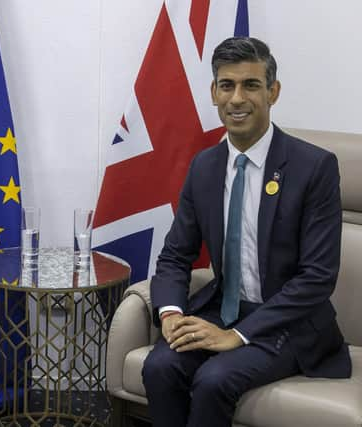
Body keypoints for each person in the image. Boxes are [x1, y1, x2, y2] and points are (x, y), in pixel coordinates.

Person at [142, 37, 351, 427]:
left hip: (289, 323)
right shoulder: (204, 167)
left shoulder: (315, 167)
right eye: (227, 85)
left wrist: (238, 335)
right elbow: (174, 256)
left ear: (273, 92)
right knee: (160, 365)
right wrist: (170, 313)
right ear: (214, 93)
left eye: (251, 85)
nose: (237, 98)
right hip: (223, 311)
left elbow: (318, 278)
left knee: (212, 380)